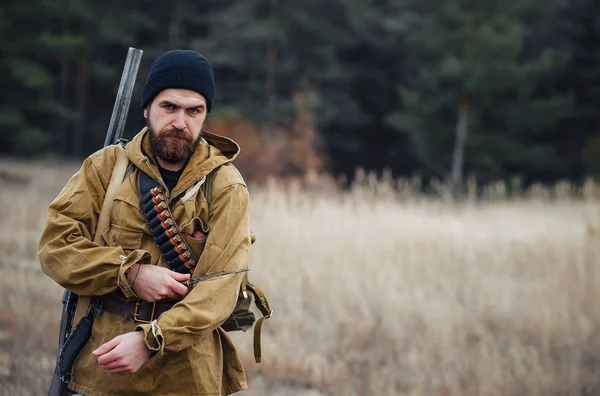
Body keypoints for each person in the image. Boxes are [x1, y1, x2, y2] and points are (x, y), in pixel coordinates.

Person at [38, 49, 251, 395]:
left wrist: (150, 340)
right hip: (103, 367)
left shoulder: (226, 185)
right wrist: (129, 272)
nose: (180, 122)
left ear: (205, 116)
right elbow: (55, 247)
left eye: (193, 110)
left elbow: (219, 290)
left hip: (187, 376)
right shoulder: (105, 168)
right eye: (169, 107)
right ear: (147, 109)